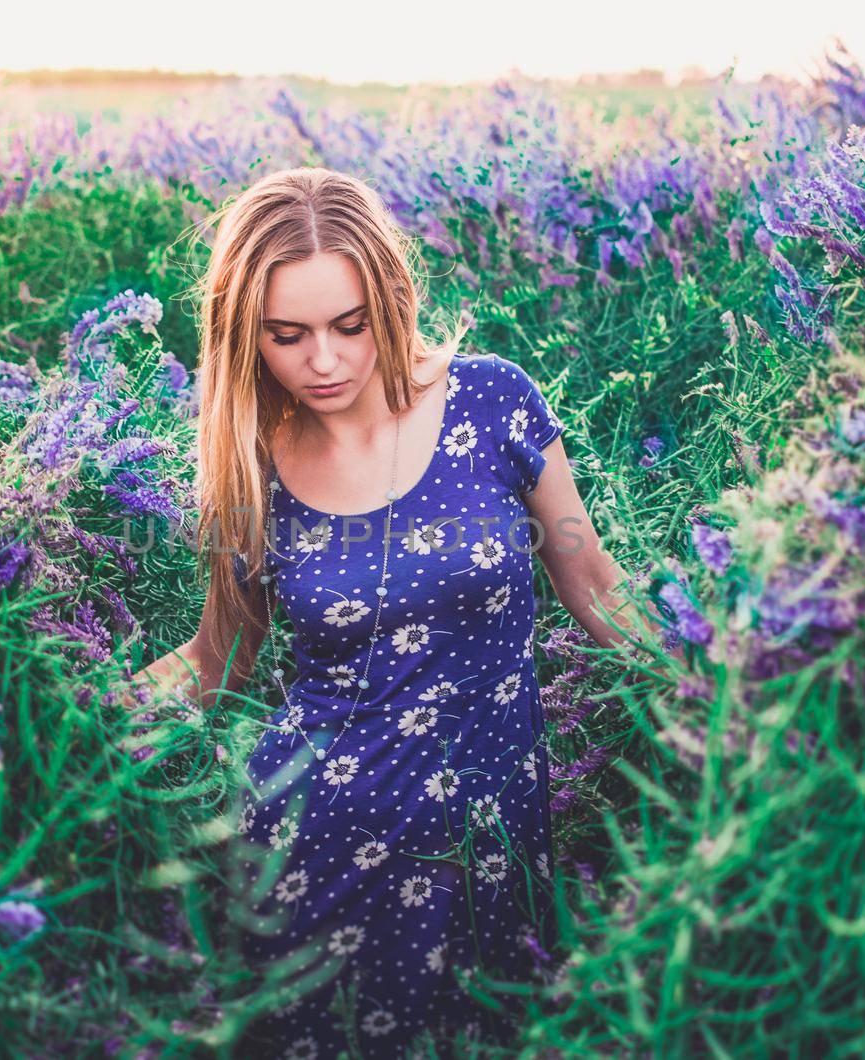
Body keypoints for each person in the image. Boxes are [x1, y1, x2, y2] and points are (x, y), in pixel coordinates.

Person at [133, 167, 669, 1058]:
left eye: (348, 325)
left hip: (494, 843)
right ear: (246, 337)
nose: (326, 361)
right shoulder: (251, 466)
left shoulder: (494, 400)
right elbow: (217, 660)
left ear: (390, 294)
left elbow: (597, 589)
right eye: (287, 336)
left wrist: (730, 679)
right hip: (314, 855)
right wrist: (68, 706)